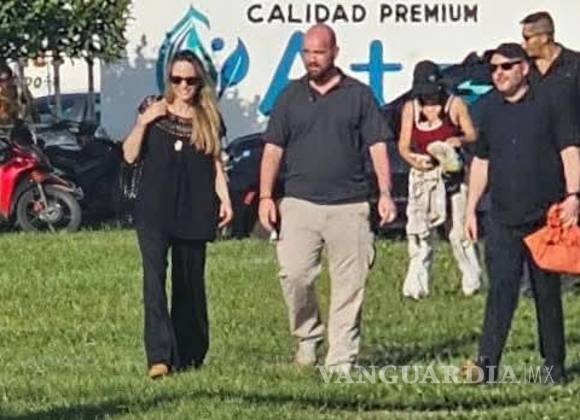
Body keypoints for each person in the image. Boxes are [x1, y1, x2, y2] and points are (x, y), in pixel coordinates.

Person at [258, 24, 397, 373]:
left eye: (318, 52)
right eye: (306, 52)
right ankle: (307, 336)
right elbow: (273, 149)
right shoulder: (290, 96)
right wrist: (265, 196)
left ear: (335, 52)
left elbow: (377, 146)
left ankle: (341, 360)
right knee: (294, 274)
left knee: (350, 285)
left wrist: (385, 193)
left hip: (349, 205)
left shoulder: (359, 95)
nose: (311, 59)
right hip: (299, 203)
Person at [463, 43, 580, 384]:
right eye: (494, 68)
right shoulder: (488, 108)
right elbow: (481, 161)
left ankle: (553, 367)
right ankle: (487, 367)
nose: (498, 73)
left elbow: (569, 150)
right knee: (500, 292)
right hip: (502, 217)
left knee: (547, 295)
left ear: (524, 68)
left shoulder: (551, 101)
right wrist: (470, 209)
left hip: (545, 217)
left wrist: (573, 196)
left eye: (506, 66)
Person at [122, 50, 233, 379]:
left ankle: (190, 354)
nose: (184, 86)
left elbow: (216, 163)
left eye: (191, 80)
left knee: (190, 282)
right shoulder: (153, 109)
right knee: (154, 280)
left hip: (195, 206)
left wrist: (225, 198)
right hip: (154, 208)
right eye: (177, 79)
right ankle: (159, 356)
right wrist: (144, 121)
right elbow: (129, 155)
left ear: (200, 82)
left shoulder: (209, 118)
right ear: (169, 80)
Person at [398, 60, 481, 300]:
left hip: (452, 175)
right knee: (420, 231)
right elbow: (403, 146)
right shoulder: (411, 109)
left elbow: (472, 134)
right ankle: (416, 286)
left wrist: (458, 141)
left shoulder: (455, 105)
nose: (430, 98)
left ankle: (472, 281)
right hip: (424, 175)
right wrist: (414, 161)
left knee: (458, 231)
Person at [520, 11, 580, 292]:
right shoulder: (525, 71)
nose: (524, 44)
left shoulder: (575, 66)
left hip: (573, 150)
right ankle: (537, 275)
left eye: (528, 38)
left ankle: (573, 273)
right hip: (537, 155)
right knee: (538, 216)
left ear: (545, 37)